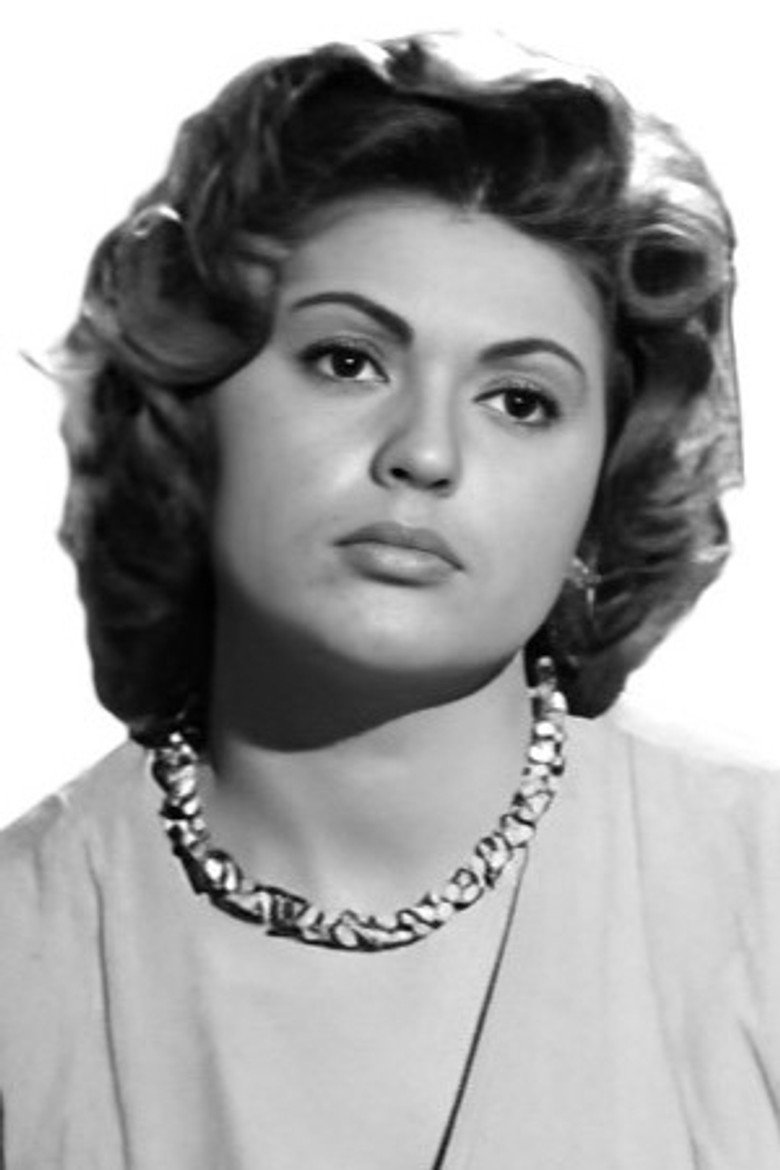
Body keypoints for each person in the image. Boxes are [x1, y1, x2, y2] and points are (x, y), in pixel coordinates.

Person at [1, 29, 777, 1169]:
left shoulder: (760, 893)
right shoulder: (22, 956)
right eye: (346, 360)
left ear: (605, 482)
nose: (424, 453)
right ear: (190, 407)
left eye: (520, 400)